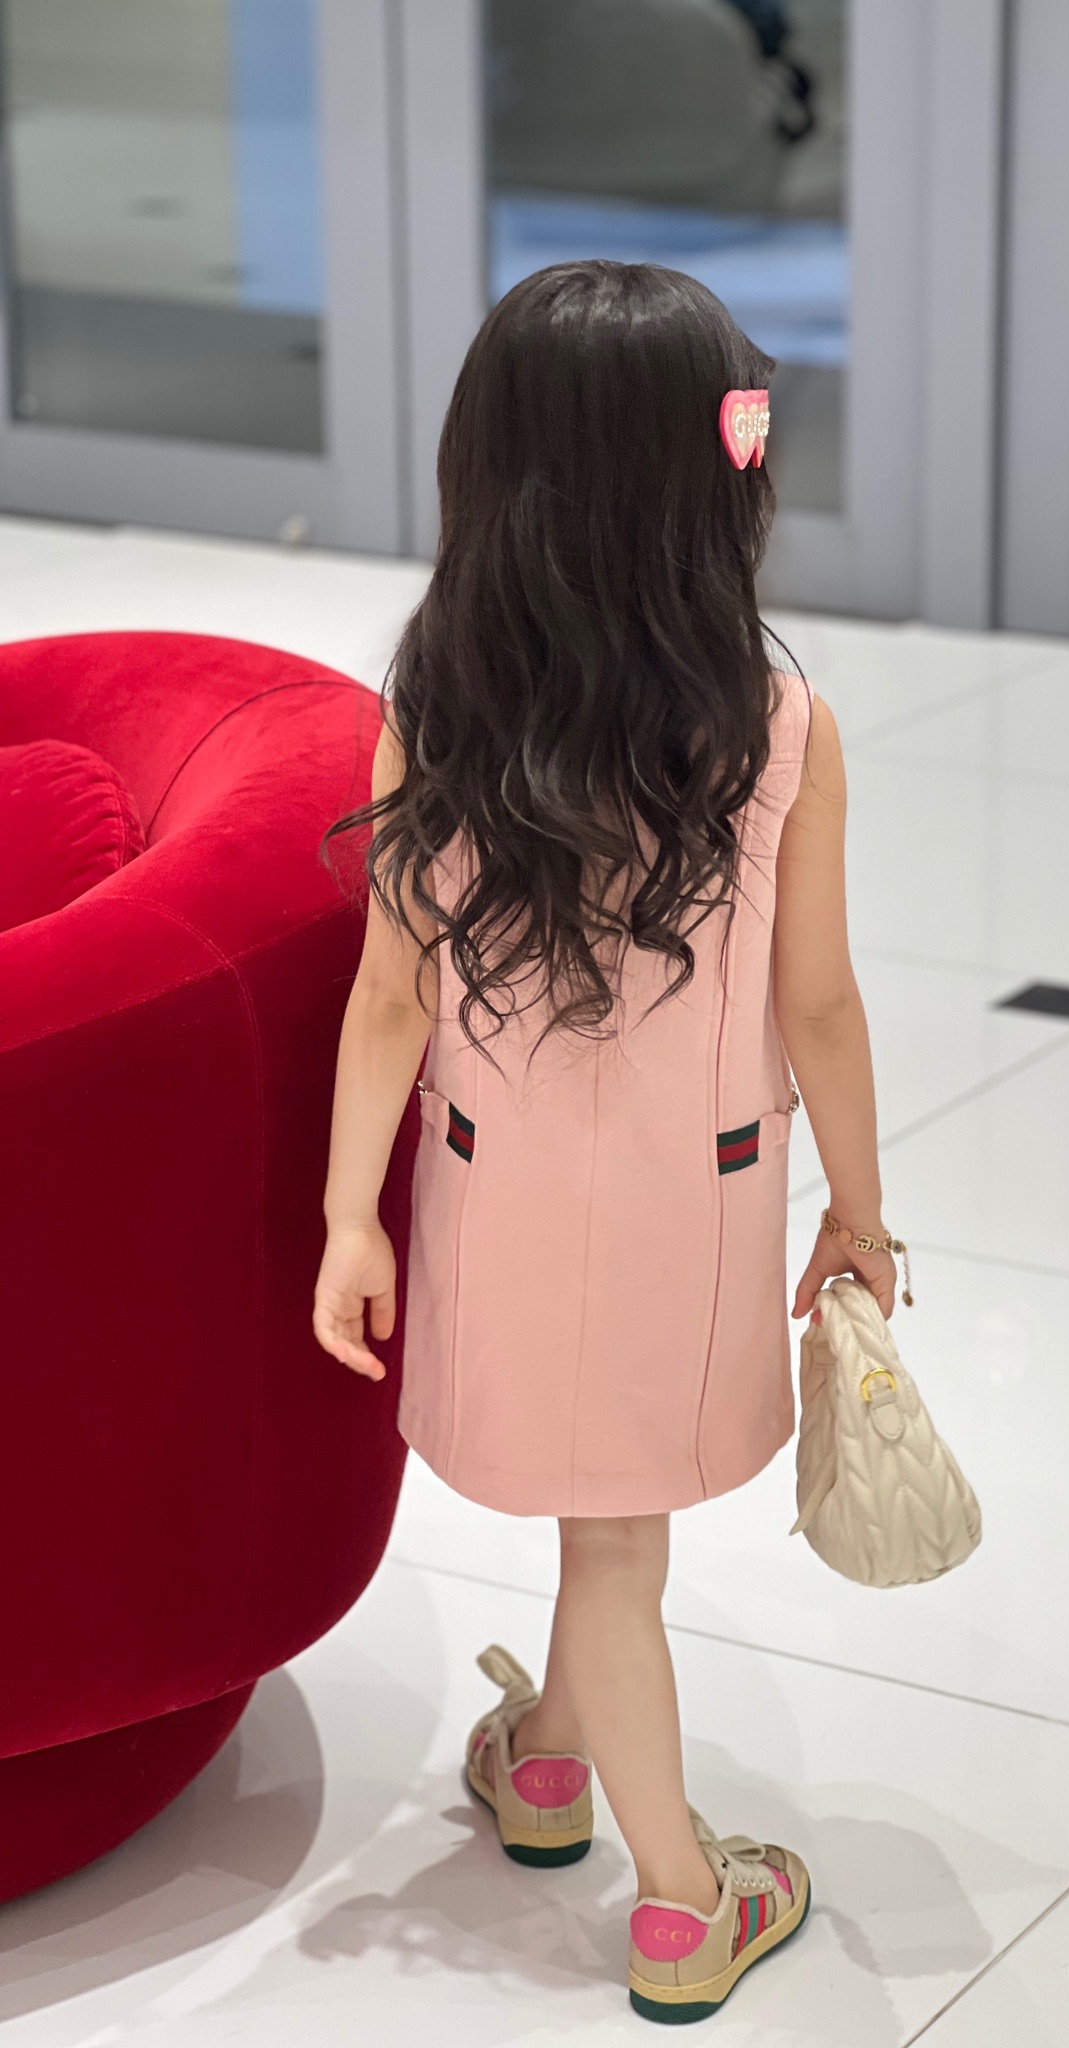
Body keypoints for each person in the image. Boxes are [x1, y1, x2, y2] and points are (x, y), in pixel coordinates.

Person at [312, 260, 899, 2024]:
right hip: (690, 1208)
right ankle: (687, 1903)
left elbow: (390, 998)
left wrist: (352, 1218)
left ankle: (547, 1762)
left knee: (593, 1512)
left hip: (488, 1192)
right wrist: (861, 1214)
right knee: (619, 1546)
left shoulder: (436, 710)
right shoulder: (779, 729)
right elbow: (818, 1006)